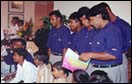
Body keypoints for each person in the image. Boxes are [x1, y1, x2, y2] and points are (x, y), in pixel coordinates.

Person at [79, 4, 123, 83]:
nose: (91, 23)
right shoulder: (98, 31)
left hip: (109, 71)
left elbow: (113, 55)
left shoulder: (112, 30)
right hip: (96, 69)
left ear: (98, 16)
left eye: (92, 20)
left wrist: (89, 55)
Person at [96, 2, 131, 83]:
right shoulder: (103, 26)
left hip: (121, 57)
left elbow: (129, 46)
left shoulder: (123, 25)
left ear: (107, 10)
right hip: (106, 58)